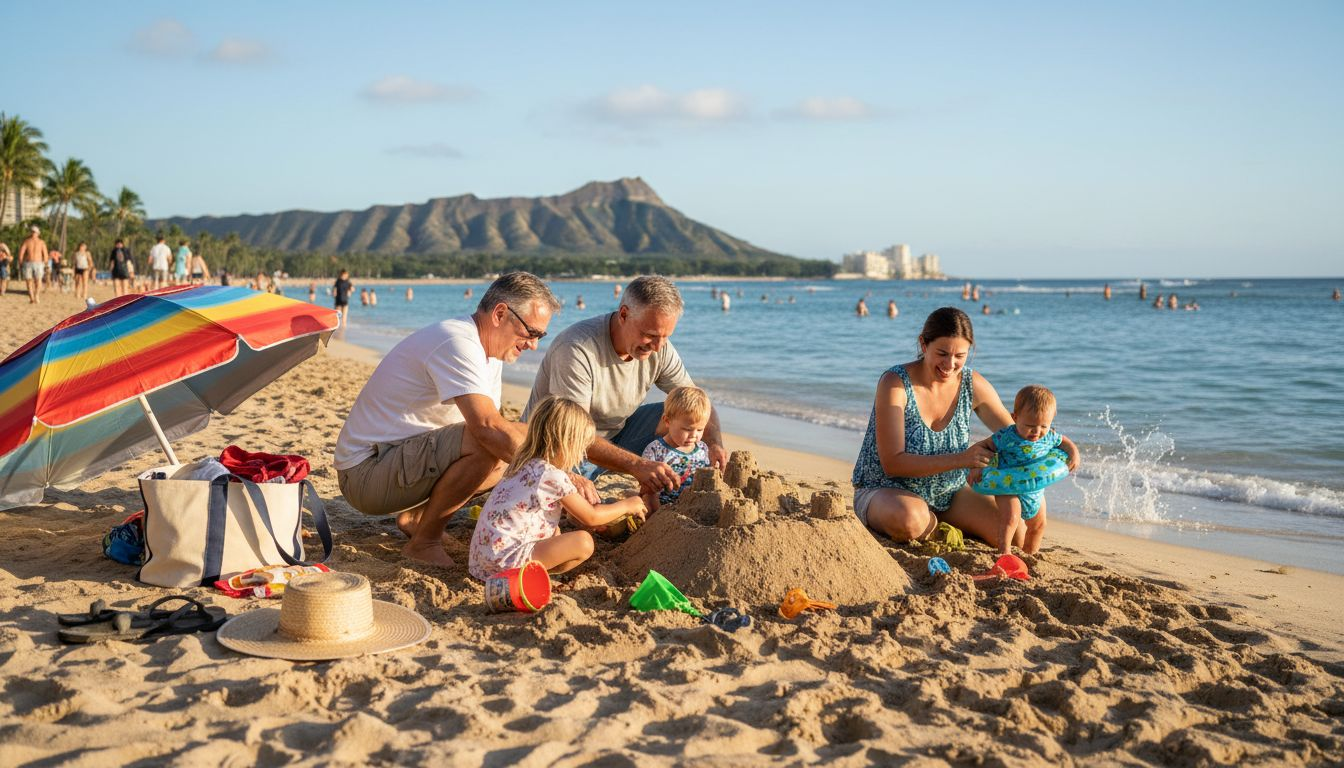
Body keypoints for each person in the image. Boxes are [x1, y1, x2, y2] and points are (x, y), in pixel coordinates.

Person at [334, 272, 567, 566]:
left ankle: (418, 519)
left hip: (395, 461)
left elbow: (501, 428)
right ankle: (424, 542)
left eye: (540, 337)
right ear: (500, 314)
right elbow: (486, 429)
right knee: (488, 441)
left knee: (511, 441)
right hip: (366, 473)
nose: (534, 345)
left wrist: (554, 468)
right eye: (532, 333)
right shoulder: (457, 341)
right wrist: (558, 481)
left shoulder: (487, 351)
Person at [851, 307, 1079, 546]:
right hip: (885, 490)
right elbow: (892, 463)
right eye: (942, 353)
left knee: (1016, 536)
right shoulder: (895, 383)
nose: (950, 364)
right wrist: (962, 459)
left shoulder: (972, 383)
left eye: (960, 356)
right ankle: (934, 527)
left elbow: (1018, 433)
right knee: (910, 520)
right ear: (923, 344)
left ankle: (939, 523)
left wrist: (1064, 448)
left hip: (949, 493)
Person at [525, 275, 727, 499]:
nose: (658, 346)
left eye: (665, 337)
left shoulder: (660, 348)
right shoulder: (576, 347)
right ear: (624, 314)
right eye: (650, 335)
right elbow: (573, 434)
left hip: (616, 435)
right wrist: (637, 465)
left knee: (685, 411)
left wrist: (714, 444)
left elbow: (698, 402)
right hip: (562, 447)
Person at [467, 397, 646, 580]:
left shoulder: (522, 464)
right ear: (566, 443)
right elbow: (591, 517)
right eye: (581, 447)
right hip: (505, 564)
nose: (582, 454)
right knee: (583, 542)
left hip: (481, 562)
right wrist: (628, 505)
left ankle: (532, 574)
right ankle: (532, 578)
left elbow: (569, 514)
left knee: (556, 532)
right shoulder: (552, 476)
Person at [969, 385, 1078, 555]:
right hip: (1007, 486)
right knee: (1011, 518)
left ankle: (1030, 554)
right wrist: (977, 467)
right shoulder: (1006, 436)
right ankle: (1004, 554)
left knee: (1039, 525)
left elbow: (1063, 441)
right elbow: (984, 446)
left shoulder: (1049, 436)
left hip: (1034, 488)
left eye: (1043, 426)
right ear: (1015, 417)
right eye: (1030, 425)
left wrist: (1074, 453)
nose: (1036, 431)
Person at [639, 386, 713, 512]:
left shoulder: (702, 449)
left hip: (692, 508)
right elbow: (647, 489)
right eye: (687, 429)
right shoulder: (656, 450)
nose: (694, 435)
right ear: (667, 421)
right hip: (662, 508)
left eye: (700, 429)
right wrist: (658, 515)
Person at [18, 226, 48, 304]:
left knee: (38, 280)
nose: (33, 233)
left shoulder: (41, 242)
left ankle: (36, 295)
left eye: (35, 232)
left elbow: (45, 253)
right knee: (28, 280)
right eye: (32, 231)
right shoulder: (27, 241)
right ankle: (31, 297)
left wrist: (45, 262)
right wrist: (20, 261)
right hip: (28, 263)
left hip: (39, 263)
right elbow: (22, 251)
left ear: (38, 233)